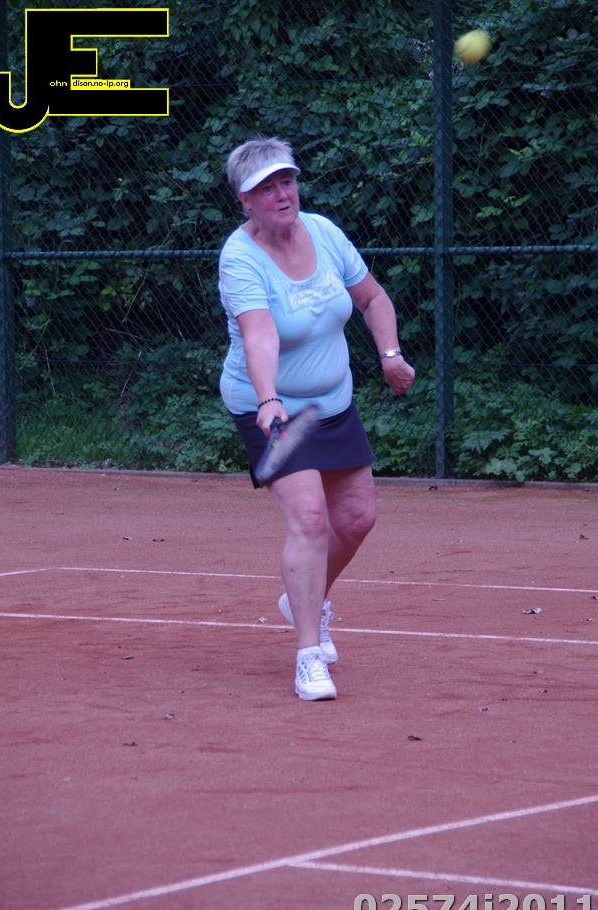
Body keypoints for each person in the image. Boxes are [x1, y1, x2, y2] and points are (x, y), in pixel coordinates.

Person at [218, 137, 415, 701]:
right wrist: (268, 399)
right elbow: (259, 334)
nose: (282, 194)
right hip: (277, 411)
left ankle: (301, 596)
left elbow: (373, 299)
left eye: (287, 181)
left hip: (333, 401)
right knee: (308, 517)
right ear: (244, 200)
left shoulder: (325, 233)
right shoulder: (240, 258)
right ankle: (309, 655)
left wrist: (390, 354)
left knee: (355, 519)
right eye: (266, 188)